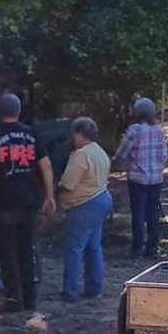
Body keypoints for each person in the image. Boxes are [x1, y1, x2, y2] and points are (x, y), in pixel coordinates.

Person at [0, 93, 56, 311]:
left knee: (6, 252)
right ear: (18, 111)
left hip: (3, 202)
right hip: (29, 201)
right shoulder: (31, 134)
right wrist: (49, 196)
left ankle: (13, 300)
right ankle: (30, 301)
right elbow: (46, 165)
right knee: (26, 249)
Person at [58, 117, 112, 302]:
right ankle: (94, 287)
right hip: (102, 199)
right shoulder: (100, 152)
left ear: (79, 134)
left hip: (83, 203)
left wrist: (56, 187)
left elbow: (68, 184)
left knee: (74, 247)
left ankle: (70, 291)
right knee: (93, 246)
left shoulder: (81, 155)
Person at [114, 97, 168, 258]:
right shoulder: (159, 130)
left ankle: (137, 247)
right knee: (153, 212)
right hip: (156, 178)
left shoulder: (135, 130)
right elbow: (164, 155)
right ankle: (152, 247)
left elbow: (122, 152)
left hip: (138, 177)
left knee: (138, 212)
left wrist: (117, 162)